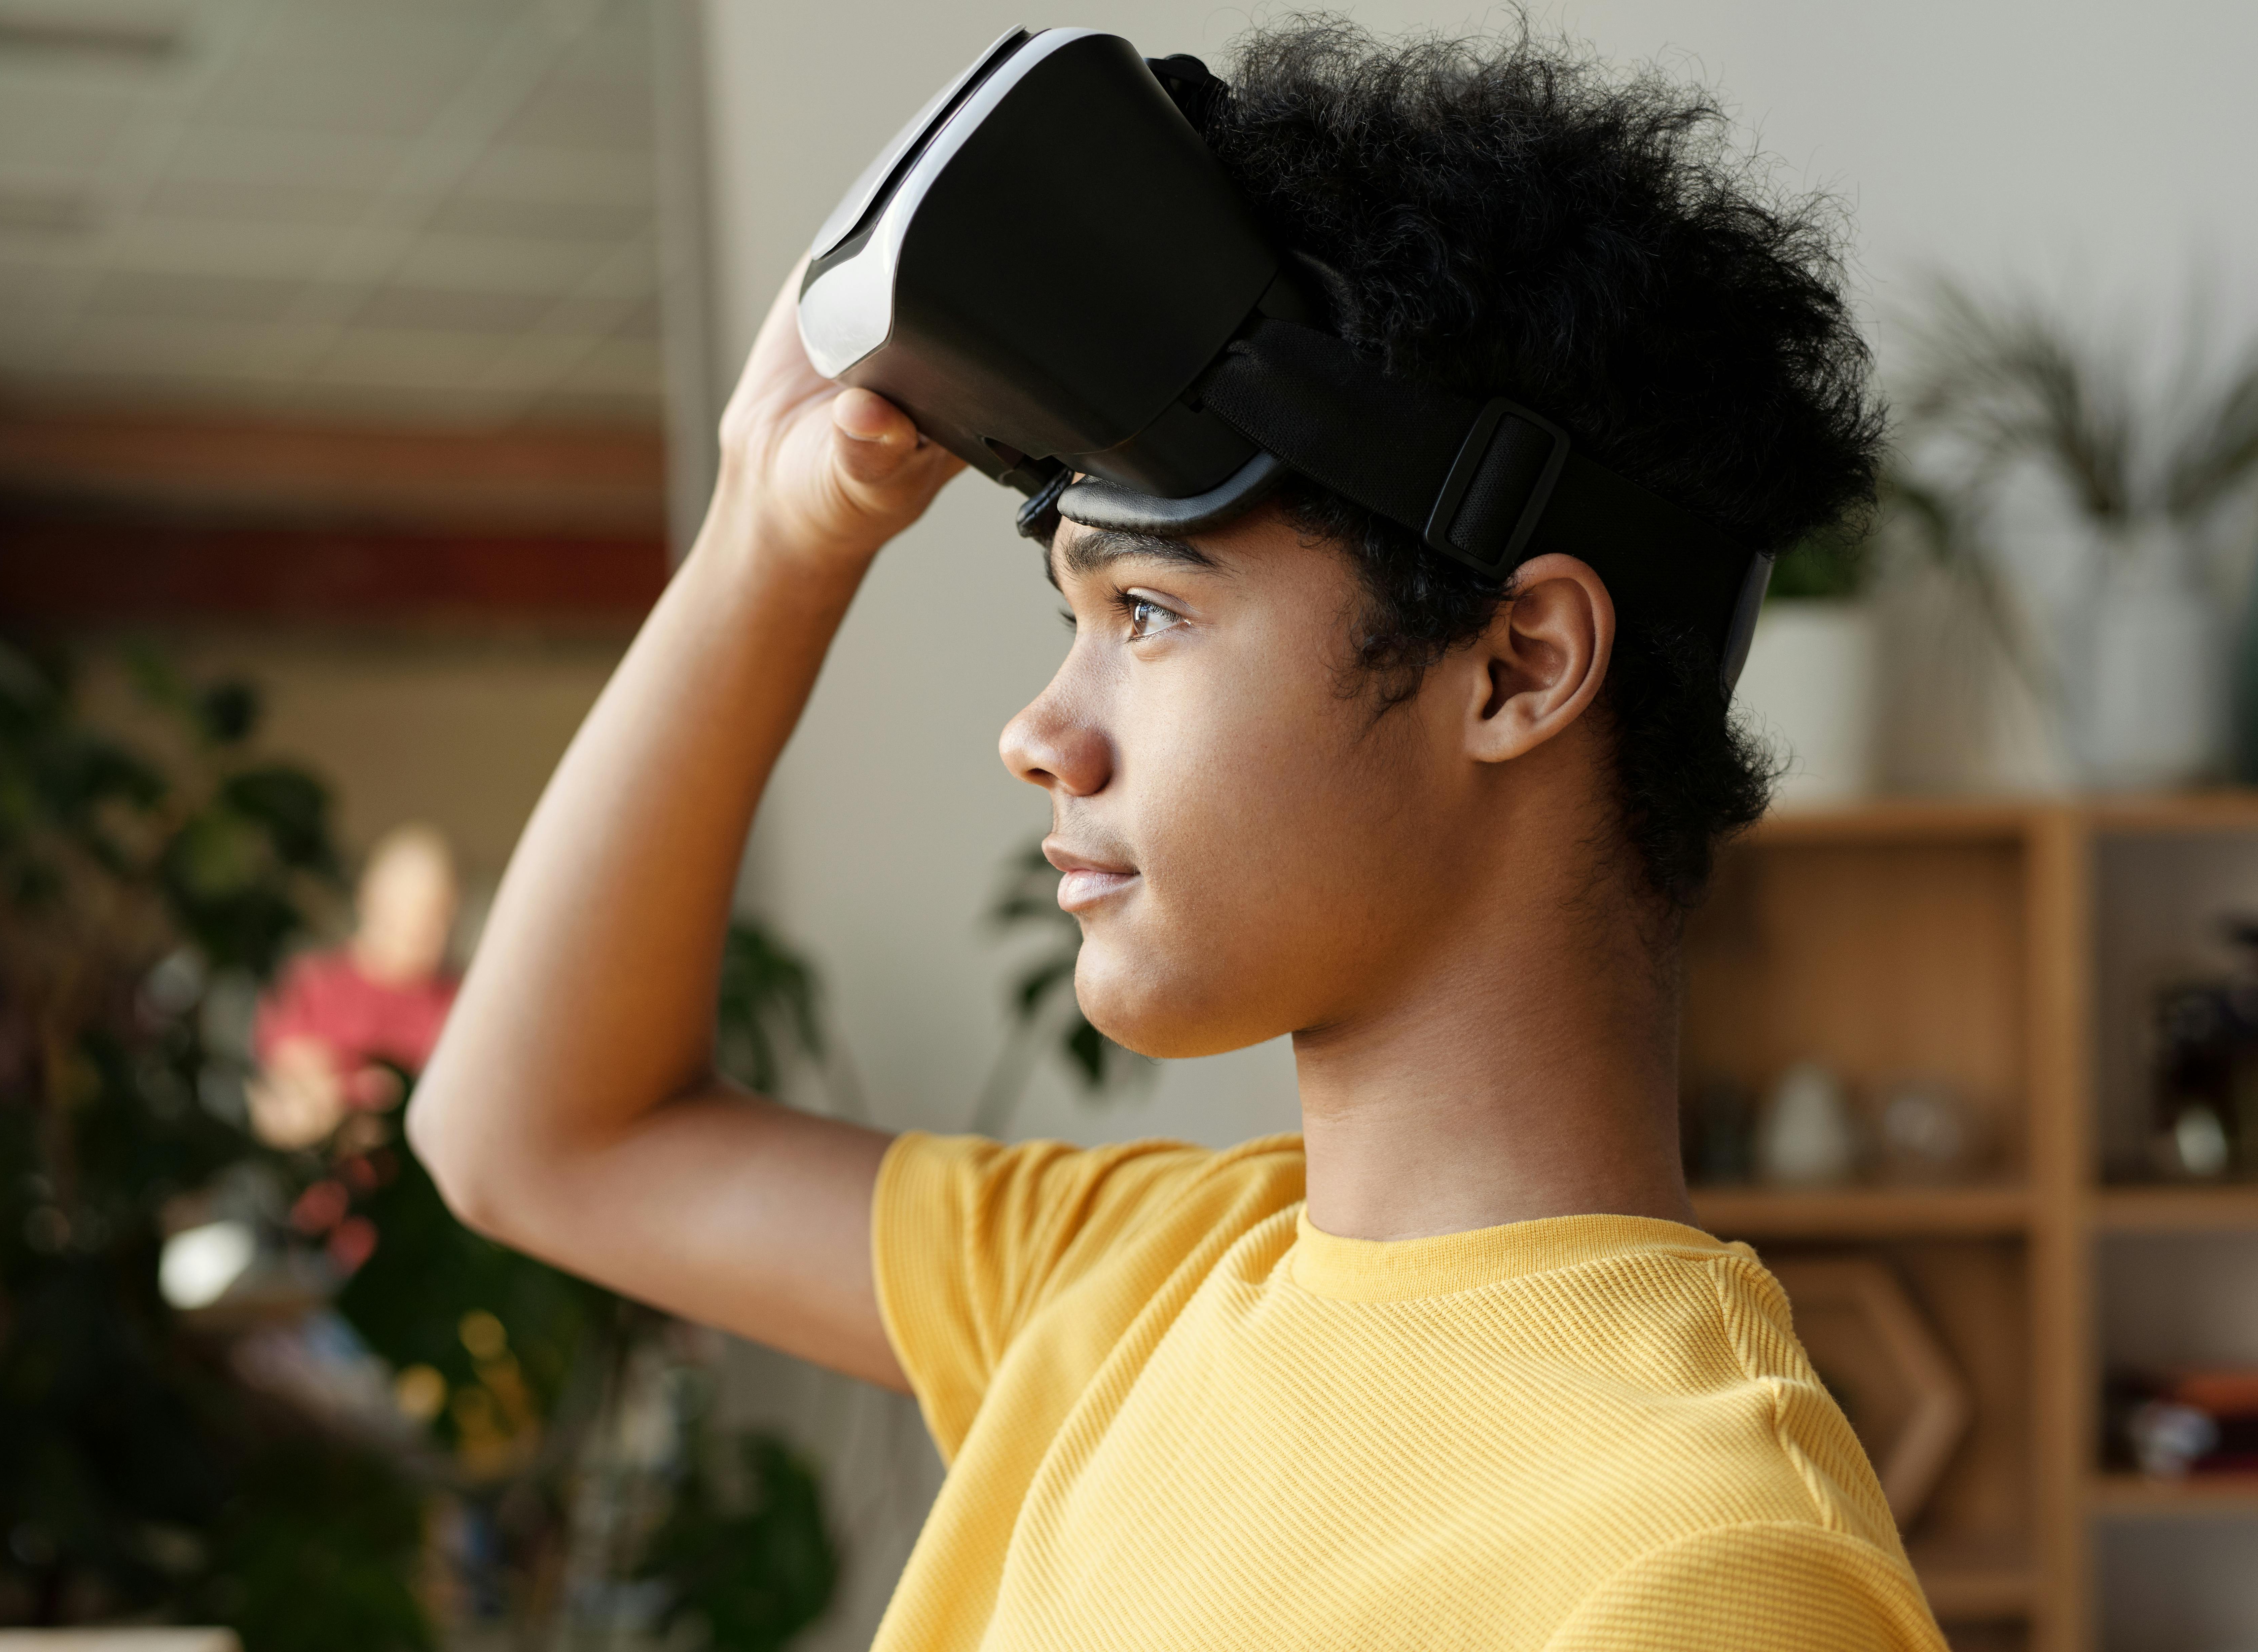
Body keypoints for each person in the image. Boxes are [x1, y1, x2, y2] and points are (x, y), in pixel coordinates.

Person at [410, 19, 1944, 1651]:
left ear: (1515, 665)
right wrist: (767, 533)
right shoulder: (1132, 1274)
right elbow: (532, 1143)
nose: (1036, 733)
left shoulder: (1704, 1563)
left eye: (1146, 611)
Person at [250, 822, 462, 1150]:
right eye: (404, 908)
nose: (419, 927)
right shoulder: (312, 983)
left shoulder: (461, 1004)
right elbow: (284, 1090)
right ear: (369, 898)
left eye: (437, 913)